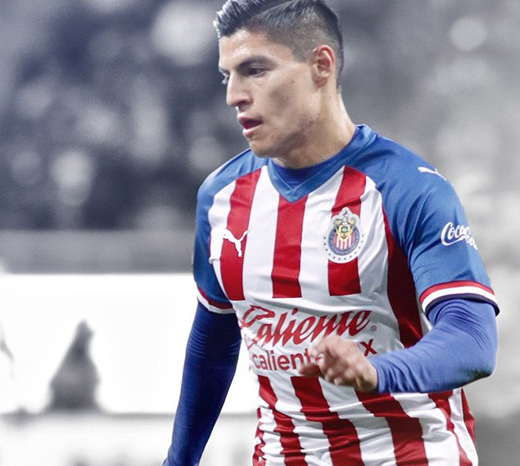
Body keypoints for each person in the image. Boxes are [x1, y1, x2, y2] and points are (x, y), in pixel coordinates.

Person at [164, 1, 499, 465]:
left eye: (255, 70)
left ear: (321, 66)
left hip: (408, 454)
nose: (234, 96)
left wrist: (376, 371)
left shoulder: (408, 189)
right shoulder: (221, 198)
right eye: (228, 76)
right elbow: (214, 342)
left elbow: (472, 340)